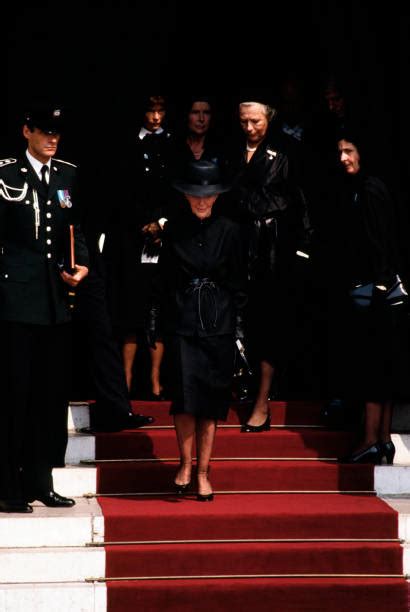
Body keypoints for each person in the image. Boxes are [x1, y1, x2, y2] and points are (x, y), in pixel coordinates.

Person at [0, 107, 89, 512]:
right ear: (27, 132)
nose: (53, 141)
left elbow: (75, 229)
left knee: (49, 398)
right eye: (45, 133)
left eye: (58, 134)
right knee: (15, 395)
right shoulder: (5, 173)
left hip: (56, 303)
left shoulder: (66, 174)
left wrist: (81, 262)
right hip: (16, 302)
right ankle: (8, 485)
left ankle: (41, 479)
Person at [147, 160, 246, 501]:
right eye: (195, 195)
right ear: (186, 195)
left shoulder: (231, 230)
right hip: (182, 322)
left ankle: (204, 472)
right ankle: (185, 464)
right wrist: (159, 328)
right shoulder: (174, 229)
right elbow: (162, 283)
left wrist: (236, 327)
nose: (202, 201)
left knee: (211, 402)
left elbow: (240, 282)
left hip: (218, 322)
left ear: (218, 195)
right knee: (185, 399)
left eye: (208, 195)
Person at [222, 92, 313, 431]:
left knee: (269, 324)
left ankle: (262, 401)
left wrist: (303, 250)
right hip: (237, 247)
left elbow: (301, 202)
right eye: (243, 121)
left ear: (269, 120)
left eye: (256, 121)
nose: (249, 128)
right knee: (236, 318)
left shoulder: (286, 152)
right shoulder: (230, 152)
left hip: (272, 250)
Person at [327, 128, 409, 464]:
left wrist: (376, 287)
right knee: (382, 368)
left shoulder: (370, 189)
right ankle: (381, 440)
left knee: (373, 369)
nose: (343, 158)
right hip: (380, 291)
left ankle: (373, 439)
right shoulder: (364, 187)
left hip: (376, 293)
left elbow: (381, 244)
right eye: (340, 152)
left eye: (349, 150)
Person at [104, 94, 174, 400]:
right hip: (132, 236)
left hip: (163, 236)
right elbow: (118, 189)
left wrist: (161, 224)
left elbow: (176, 188)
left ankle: (156, 379)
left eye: (161, 111)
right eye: (151, 110)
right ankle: (127, 378)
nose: (156, 117)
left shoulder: (173, 145)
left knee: (158, 306)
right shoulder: (127, 144)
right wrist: (140, 224)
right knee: (131, 305)